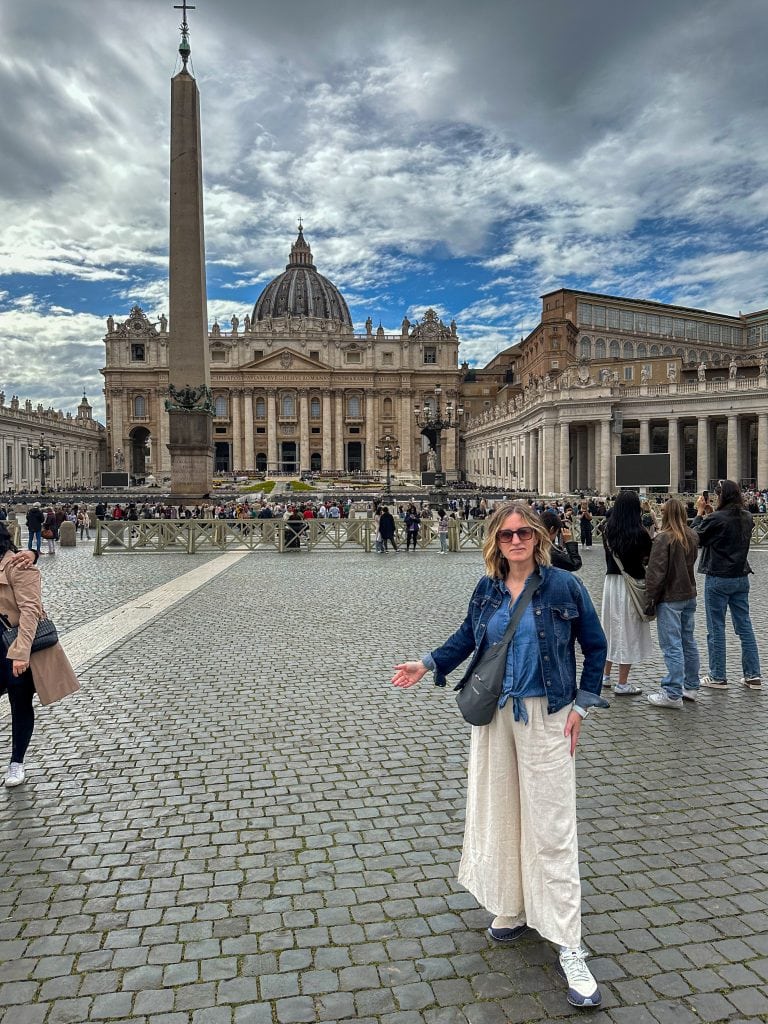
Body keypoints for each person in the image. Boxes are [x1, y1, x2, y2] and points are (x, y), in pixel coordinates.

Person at [392, 502, 608, 1010]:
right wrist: (427, 663)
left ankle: (569, 941)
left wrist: (582, 705)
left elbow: (596, 647)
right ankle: (511, 906)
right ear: (496, 540)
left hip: (548, 712)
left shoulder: (563, 587)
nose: (516, 541)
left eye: (524, 533)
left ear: (538, 537)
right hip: (496, 718)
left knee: (553, 826)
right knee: (498, 812)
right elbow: (467, 637)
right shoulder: (487, 586)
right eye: (507, 534)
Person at [0, 523, 79, 787]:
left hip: (15, 645)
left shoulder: (19, 567)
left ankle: (16, 762)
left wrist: (21, 654)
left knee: (19, 702)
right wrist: (34, 550)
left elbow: (31, 612)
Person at [695, 480, 761, 690]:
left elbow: (694, 538)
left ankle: (717, 676)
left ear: (722, 495)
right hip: (740, 576)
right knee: (745, 626)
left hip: (718, 577)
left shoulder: (716, 518)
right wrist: (712, 514)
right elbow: (726, 530)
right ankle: (753, 676)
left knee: (716, 627)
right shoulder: (747, 517)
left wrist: (699, 513)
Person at [644, 499, 700, 708]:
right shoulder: (692, 535)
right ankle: (691, 686)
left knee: (672, 645)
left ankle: (673, 693)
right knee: (688, 641)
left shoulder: (663, 538)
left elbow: (656, 573)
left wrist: (650, 598)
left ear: (665, 514)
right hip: (689, 594)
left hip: (670, 597)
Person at [600, 489, 653, 694]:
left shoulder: (606, 529)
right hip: (630, 585)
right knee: (627, 632)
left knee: (610, 629)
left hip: (611, 583)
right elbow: (648, 558)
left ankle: (605, 676)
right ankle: (622, 683)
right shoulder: (639, 533)